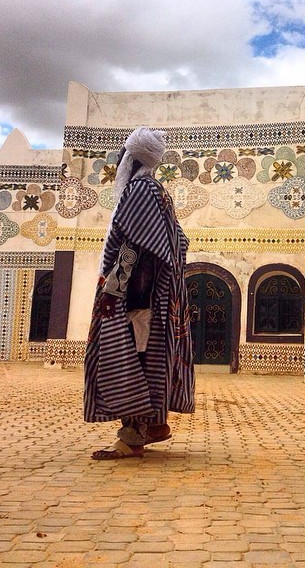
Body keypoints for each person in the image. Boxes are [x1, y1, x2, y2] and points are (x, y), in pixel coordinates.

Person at [84, 127, 195, 460]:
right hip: (153, 295)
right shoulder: (158, 192)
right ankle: (153, 425)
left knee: (127, 358)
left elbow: (133, 246)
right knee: (148, 358)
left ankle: (132, 436)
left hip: (138, 297)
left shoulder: (139, 190)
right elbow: (177, 242)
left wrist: (113, 292)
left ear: (131, 158)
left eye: (123, 154)